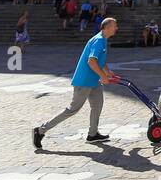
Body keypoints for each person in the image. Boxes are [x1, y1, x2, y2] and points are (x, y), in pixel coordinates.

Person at [33, 17, 120, 148]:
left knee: (97, 105)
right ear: (106, 27)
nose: (117, 28)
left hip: (93, 81)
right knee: (72, 110)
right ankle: (40, 130)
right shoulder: (99, 40)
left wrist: (107, 71)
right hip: (84, 81)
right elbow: (91, 61)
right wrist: (103, 76)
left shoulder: (102, 40)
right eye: (115, 26)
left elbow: (99, 60)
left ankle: (93, 134)